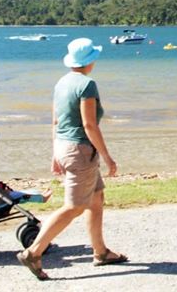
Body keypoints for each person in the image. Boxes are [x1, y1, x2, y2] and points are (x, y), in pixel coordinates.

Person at [17, 38, 127, 280]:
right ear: (90, 60)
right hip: (80, 151)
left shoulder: (62, 83)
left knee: (96, 198)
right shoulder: (87, 85)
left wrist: (55, 153)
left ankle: (100, 252)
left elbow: (56, 121)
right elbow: (89, 125)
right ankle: (34, 252)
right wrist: (108, 158)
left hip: (64, 148)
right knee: (74, 206)